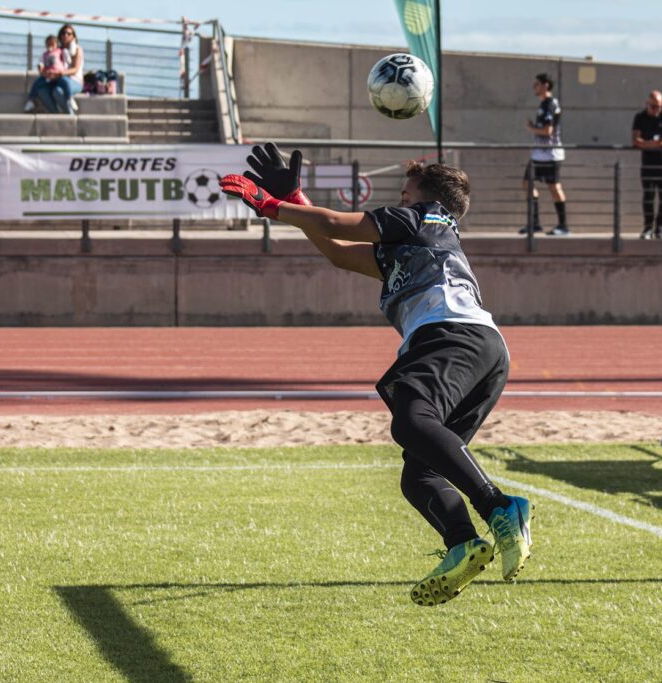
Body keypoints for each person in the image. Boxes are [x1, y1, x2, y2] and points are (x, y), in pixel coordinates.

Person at [220, 143, 534, 607]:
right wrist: (298, 201)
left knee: (410, 421)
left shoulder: (428, 217)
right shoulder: (411, 246)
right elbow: (340, 252)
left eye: (405, 194)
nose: (400, 201)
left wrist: (273, 205)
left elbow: (335, 224)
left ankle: (500, 506)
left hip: (453, 335)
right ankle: (463, 544)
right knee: (418, 475)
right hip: (479, 351)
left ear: (428, 200)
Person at [521, 73, 569, 235]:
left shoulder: (551, 103)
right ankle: (535, 223)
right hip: (538, 154)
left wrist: (531, 128)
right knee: (527, 183)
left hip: (550, 154)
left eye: (537, 84)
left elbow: (548, 131)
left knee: (554, 187)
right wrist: (534, 126)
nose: (534, 87)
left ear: (545, 85)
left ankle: (563, 225)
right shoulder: (543, 104)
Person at [632, 90, 662, 239]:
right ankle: (648, 227)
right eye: (653, 107)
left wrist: (653, 143)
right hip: (648, 165)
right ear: (647, 104)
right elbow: (636, 140)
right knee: (648, 196)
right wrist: (652, 144)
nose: (656, 110)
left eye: (659, 107)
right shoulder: (640, 118)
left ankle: (660, 227)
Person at [37, 24, 84, 115]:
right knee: (42, 91)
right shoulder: (56, 51)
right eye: (63, 33)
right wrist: (44, 71)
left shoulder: (77, 50)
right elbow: (47, 63)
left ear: (73, 36)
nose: (65, 35)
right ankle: (56, 116)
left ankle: (70, 116)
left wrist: (59, 73)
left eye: (69, 33)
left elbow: (75, 69)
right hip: (56, 80)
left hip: (74, 81)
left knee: (57, 92)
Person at [23, 35, 65, 113]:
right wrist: (41, 69)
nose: (50, 46)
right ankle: (31, 99)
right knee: (37, 83)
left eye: (52, 44)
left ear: (56, 44)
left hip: (57, 75)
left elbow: (65, 64)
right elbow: (41, 63)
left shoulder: (60, 52)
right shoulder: (45, 54)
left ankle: (69, 98)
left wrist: (58, 73)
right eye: (48, 44)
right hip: (47, 76)